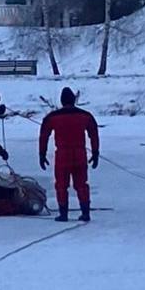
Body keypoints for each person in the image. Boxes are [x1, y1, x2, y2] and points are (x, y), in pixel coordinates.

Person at [39, 87, 100, 222]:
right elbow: (94, 135)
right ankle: (85, 212)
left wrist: (41, 155)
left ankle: (63, 213)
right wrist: (95, 153)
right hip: (80, 154)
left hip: (62, 154)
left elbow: (43, 136)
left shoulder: (52, 117)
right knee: (82, 184)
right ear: (74, 100)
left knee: (61, 185)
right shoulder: (86, 115)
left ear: (61, 101)